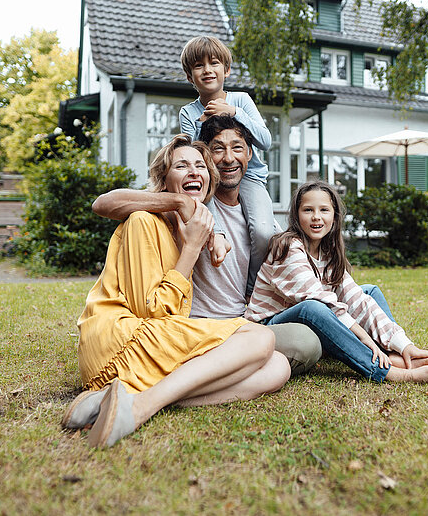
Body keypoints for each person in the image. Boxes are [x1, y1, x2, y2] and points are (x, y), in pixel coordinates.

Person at [64, 135, 290, 448]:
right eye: (181, 166)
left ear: (210, 182)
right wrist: (192, 245)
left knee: (278, 368)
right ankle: (139, 409)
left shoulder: (187, 227)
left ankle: (123, 400)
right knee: (261, 338)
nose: (194, 171)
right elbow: (152, 312)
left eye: (200, 166)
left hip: (149, 343)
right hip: (120, 343)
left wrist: (200, 237)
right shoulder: (144, 221)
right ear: (164, 180)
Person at [92, 115, 322, 377]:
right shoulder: (181, 213)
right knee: (303, 344)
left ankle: (227, 365)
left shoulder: (259, 218)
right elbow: (103, 204)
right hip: (191, 327)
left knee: (307, 334)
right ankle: (219, 366)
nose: (228, 158)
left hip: (240, 322)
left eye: (237, 148)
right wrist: (179, 202)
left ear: (249, 154)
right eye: (217, 150)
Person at [245, 181, 428, 383]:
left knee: (368, 292)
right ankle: (389, 370)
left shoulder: (328, 251)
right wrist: (365, 338)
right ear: (296, 215)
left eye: (324, 210)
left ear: (335, 216)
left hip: (310, 321)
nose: (316, 217)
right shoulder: (288, 247)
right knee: (314, 307)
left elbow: (355, 297)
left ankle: (402, 355)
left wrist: (405, 344)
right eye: (308, 210)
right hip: (271, 326)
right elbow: (322, 303)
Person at [179, 35, 274, 297]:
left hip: (249, 177)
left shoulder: (241, 100)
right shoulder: (188, 113)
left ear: (226, 69)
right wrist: (202, 123)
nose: (207, 70)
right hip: (212, 179)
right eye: (198, 66)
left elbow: (265, 141)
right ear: (190, 76)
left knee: (265, 232)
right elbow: (193, 156)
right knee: (213, 226)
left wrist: (234, 113)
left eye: (214, 63)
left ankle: (252, 290)